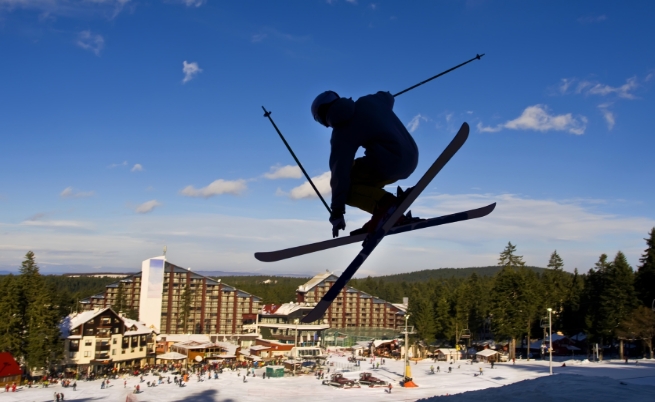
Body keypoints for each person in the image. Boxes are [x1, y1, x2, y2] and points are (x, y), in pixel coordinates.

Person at [311, 90, 419, 237]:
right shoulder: (369, 101)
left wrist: (337, 212)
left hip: (389, 163)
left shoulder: (341, 133)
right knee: (358, 173)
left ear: (323, 116)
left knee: (347, 186)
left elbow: (340, 173)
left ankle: (387, 206)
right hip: (411, 158)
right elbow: (387, 97)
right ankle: (381, 212)